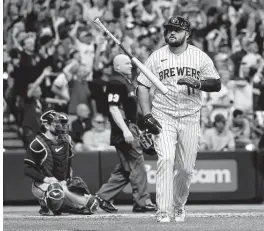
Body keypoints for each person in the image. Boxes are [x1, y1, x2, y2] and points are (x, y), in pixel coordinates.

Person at [137, 16, 221, 222]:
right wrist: (147, 115)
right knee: (165, 159)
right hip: (163, 114)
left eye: (176, 30)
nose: (171, 33)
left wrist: (199, 83)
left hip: (190, 116)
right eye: (168, 30)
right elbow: (142, 86)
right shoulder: (156, 57)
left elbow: (216, 84)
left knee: (185, 169)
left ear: (187, 34)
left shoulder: (199, 57)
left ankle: (178, 205)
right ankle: (163, 211)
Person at [95, 54, 156, 213]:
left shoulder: (126, 82)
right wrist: (126, 130)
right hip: (124, 128)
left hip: (131, 126)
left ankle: (103, 196)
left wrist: (138, 128)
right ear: (117, 67)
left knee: (126, 168)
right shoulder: (115, 82)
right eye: (127, 63)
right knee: (138, 164)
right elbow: (113, 108)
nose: (131, 65)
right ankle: (142, 202)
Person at [24, 110, 98, 216]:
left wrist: (67, 179)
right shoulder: (37, 143)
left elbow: (67, 163)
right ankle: (46, 204)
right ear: (46, 125)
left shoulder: (66, 139)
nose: (62, 126)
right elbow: (27, 169)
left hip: (61, 183)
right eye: (58, 123)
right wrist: (46, 179)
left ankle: (67, 206)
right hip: (42, 184)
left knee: (91, 205)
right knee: (56, 191)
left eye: (63, 123)